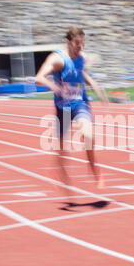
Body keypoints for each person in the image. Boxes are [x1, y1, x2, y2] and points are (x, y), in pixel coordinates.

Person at [35, 26, 109, 191]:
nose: (79, 47)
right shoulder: (57, 59)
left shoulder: (81, 57)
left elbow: (81, 72)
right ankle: (57, 172)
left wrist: (95, 86)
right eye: (76, 43)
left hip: (80, 103)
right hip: (63, 108)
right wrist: (53, 86)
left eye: (82, 43)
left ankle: (94, 169)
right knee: (62, 151)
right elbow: (39, 78)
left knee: (89, 135)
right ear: (68, 42)